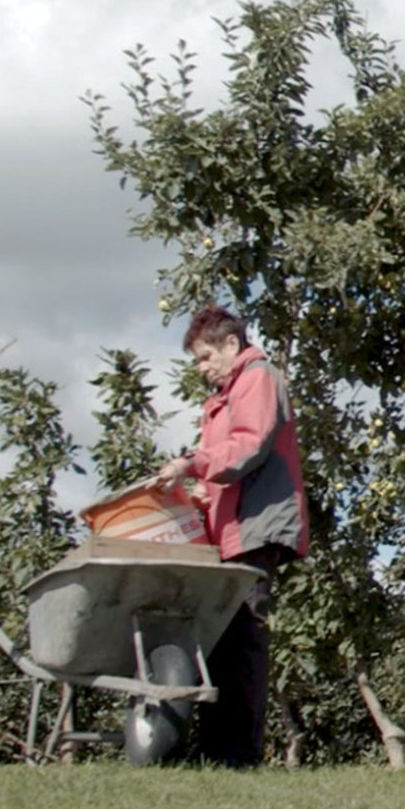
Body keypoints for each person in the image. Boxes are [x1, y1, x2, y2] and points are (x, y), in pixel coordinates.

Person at [157, 305, 310, 767]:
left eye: (206, 358)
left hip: (256, 525)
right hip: (233, 527)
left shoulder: (258, 377)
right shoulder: (227, 393)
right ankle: (218, 751)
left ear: (231, 344)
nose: (203, 370)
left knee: (243, 634)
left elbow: (248, 444)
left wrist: (192, 463)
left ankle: (239, 754)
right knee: (221, 637)